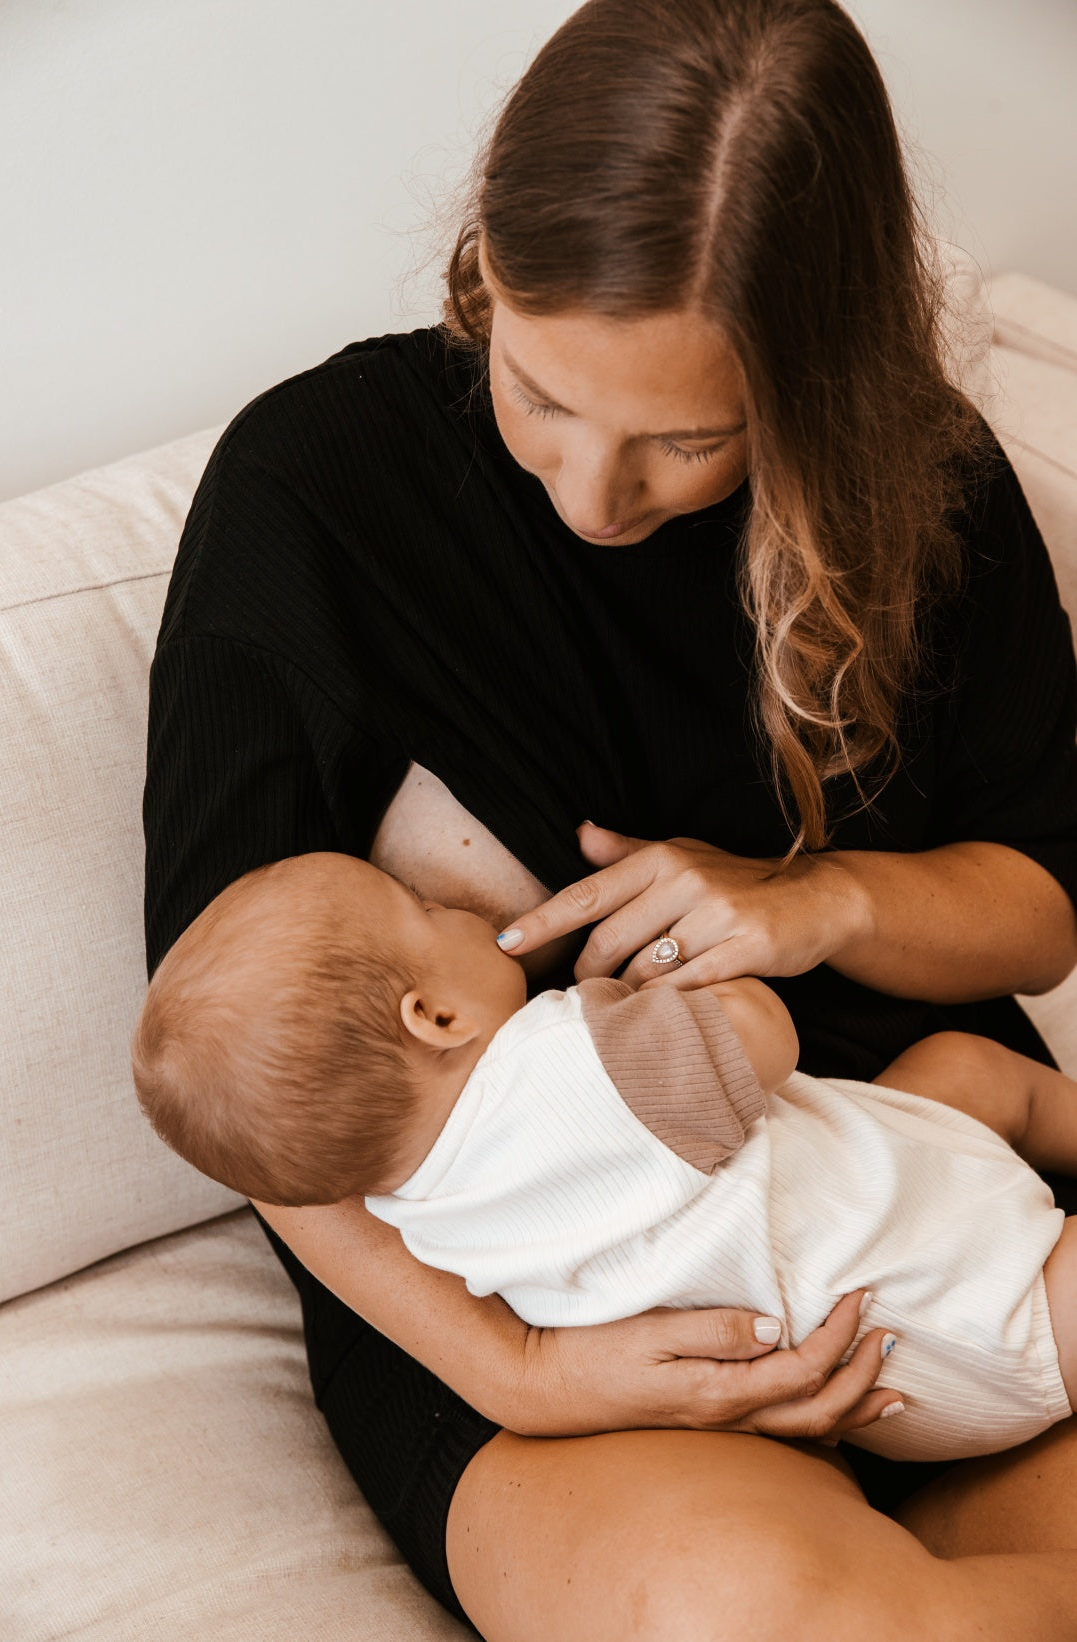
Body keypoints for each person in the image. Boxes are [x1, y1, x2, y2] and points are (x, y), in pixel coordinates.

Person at [142, 0, 1077, 1633]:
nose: (589, 494)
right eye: (540, 391)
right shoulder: (313, 504)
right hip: (549, 1306)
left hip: (923, 1186)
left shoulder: (925, 485)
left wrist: (818, 906)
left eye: (685, 440)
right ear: (482, 271)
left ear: (816, 375)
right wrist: (531, 1370)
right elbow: (249, 1097)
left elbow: (1034, 901)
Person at [133, 850, 1077, 1465]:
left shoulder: (416, 1212)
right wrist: (654, 985)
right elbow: (765, 1035)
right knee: (994, 1080)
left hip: (892, 1380)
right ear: (436, 1017)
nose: (456, 904)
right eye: (423, 907)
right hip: (963, 1289)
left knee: (953, 1072)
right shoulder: (568, 1067)